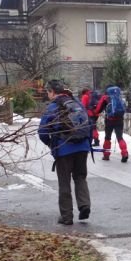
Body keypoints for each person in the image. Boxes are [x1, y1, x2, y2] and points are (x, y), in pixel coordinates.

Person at [38, 79, 91, 226]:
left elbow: (42, 131)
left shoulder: (53, 107)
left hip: (63, 149)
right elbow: (88, 124)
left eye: (48, 92)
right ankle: (84, 205)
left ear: (52, 92)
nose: (48, 95)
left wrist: (51, 144)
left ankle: (67, 217)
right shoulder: (77, 103)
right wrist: (87, 144)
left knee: (64, 182)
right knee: (80, 177)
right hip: (82, 147)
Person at [95, 85, 129, 162]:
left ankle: (106, 155)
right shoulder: (119, 97)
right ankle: (124, 153)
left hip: (109, 120)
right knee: (120, 137)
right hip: (119, 119)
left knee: (107, 137)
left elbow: (98, 109)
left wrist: (95, 112)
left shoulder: (106, 98)